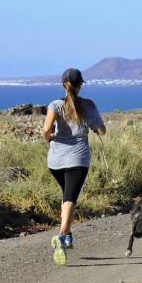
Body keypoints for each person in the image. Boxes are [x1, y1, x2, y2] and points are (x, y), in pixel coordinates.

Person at [42, 68, 106, 266]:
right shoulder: (89, 105)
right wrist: (93, 127)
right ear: (80, 86)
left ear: (63, 85)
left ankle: (68, 235)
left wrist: (50, 138)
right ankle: (60, 236)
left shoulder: (54, 105)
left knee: (66, 197)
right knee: (70, 199)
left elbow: (46, 130)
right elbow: (102, 131)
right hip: (78, 160)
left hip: (55, 161)